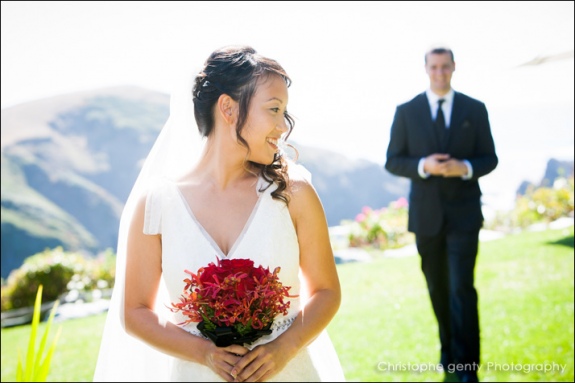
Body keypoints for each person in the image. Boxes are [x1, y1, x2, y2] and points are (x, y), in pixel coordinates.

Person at [93, 45, 345, 382]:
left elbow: (327, 291)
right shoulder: (156, 203)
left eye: (284, 112)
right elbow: (135, 312)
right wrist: (206, 355)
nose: (283, 126)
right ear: (227, 107)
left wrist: (285, 347)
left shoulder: (293, 192)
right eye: (273, 109)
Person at [384, 47, 498, 383]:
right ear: (425, 69)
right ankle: (448, 353)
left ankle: (467, 366)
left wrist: (465, 168)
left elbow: (489, 158)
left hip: (464, 216)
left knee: (462, 288)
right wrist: (424, 166)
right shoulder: (406, 111)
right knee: (437, 288)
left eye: (445, 67)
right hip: (426, 218)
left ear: (454, 68)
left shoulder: (475, 109)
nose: (439, 73)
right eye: (434, 67)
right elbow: (393, 160)